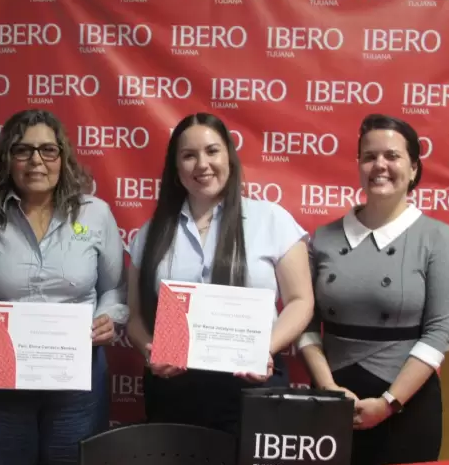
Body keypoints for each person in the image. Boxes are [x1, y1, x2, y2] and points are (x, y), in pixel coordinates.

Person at [0, 109, 127, 465]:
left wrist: (109, 318)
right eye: (23, 150)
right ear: (7, 159)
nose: (36, 162)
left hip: (77, 380)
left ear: (63, 157)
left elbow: (115, 290)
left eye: (48, 150)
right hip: (0, 382)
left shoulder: (96, 215)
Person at [126, 112, 315, 433]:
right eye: (188, 155)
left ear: (229, 156)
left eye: (212, 151)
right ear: (176, 168)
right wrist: (151, 351)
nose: (202, 164)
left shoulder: (271, 219)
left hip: (253, 384)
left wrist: (263, 349)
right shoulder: (151, 233)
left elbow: (301, 300)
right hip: (174, 390)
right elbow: (134, 317)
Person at [297, 113, 449, 465]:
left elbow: (439, 333)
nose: (380, 165)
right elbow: (306, 323)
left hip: (406, 405)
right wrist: (329, 391)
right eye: (369, 156)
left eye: (392, 156)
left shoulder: (437, 238)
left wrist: (389, 403)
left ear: (414, 168)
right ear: (358, 165)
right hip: (331, 402)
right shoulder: (324, 237)